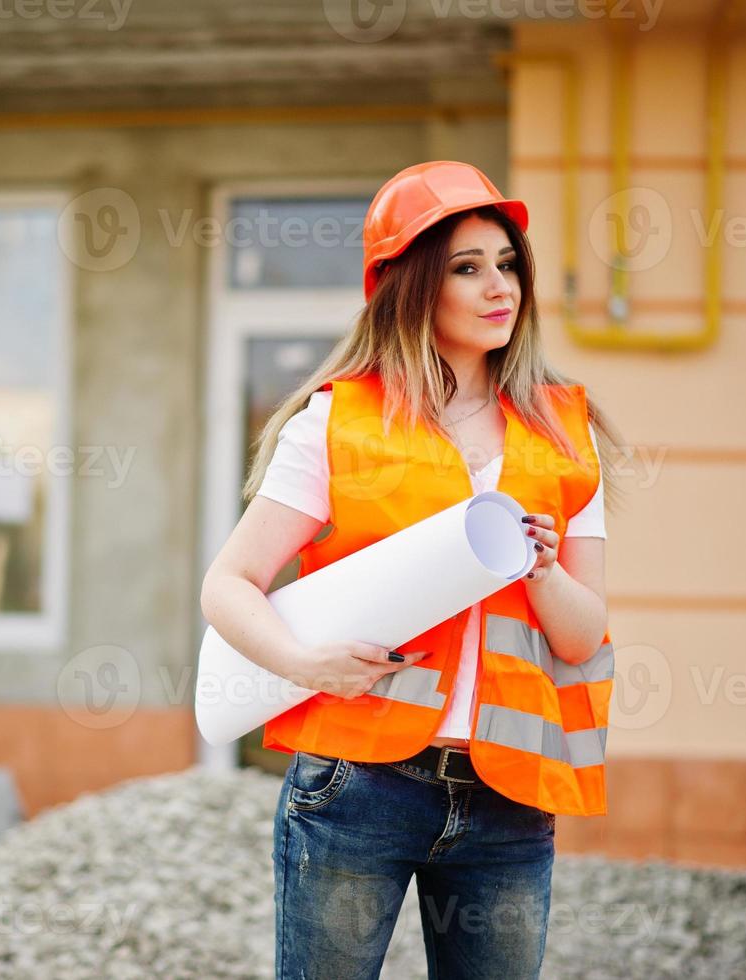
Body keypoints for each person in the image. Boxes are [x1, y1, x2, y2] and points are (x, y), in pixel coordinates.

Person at [199, 161, 623, 980]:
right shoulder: (335, 423)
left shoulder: (565, 432)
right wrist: (300, 663)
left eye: (506, 264)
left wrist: (538, 567)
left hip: (509, 796)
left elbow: (580, 636)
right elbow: (227, 584)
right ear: (409, 286)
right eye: (467, 268)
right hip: (358, 787)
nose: (498, 286)